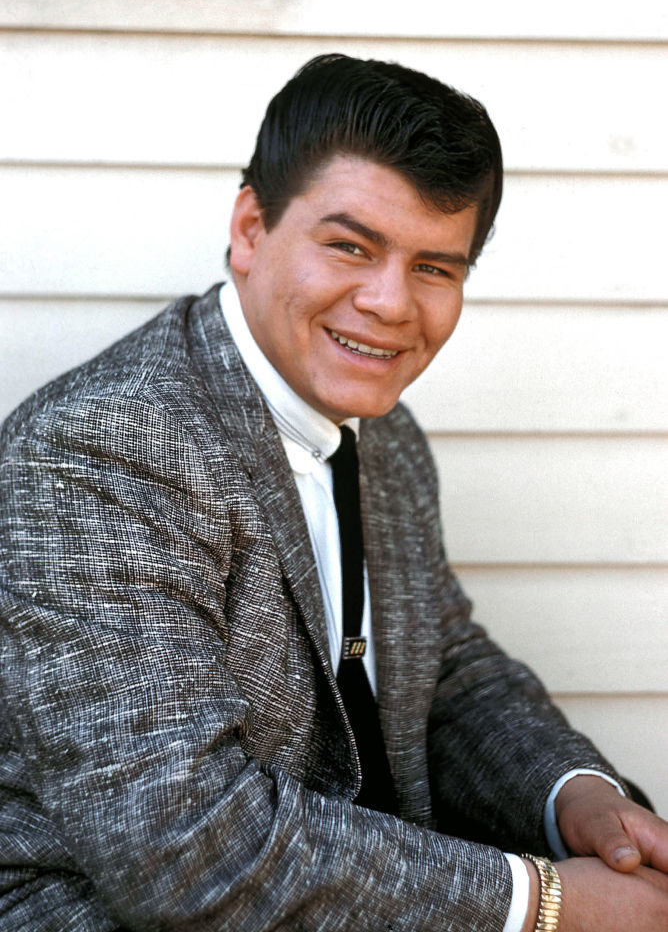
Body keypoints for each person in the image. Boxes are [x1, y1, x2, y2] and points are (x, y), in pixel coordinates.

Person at [0, 53, 666, 932]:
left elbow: (447, 676)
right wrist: (542, 905)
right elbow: (183, 846)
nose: (391, 303)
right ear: (249, 229)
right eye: (351, 246)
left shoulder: (388, 434)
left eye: (436, 267)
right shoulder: (104, 450)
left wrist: (573, 798)